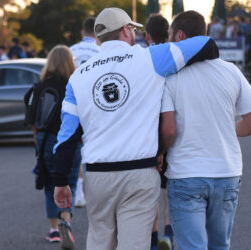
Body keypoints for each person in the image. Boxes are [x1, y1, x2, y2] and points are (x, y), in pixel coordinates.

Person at [52, 7, 219, 250]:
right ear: (125, 30)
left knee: (99, 242)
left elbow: (66, 138)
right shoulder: (150, 57)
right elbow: (206, 43)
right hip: (139, 173)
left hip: (97, 175)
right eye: (132, 29)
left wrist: (60, 181)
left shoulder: (77, 77)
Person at [161, 11, 251, 250]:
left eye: (170, 36)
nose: (168, 43)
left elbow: (168, 132)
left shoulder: (171, 77)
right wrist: (223, 129)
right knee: (220, 246)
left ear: (180, 34)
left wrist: (158, 153)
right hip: (227, 171)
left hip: (186, 173)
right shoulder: (231, 71)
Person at [29, 45, 81, 250]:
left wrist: (37, 141)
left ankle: (53, 229)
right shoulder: (75, 84)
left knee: (50, 182)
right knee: (70, 181)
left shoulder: (41, 86)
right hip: (71, 140)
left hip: (46, 139)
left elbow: (33, 119)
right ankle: (65, 220)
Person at [144, 13, 174, 250]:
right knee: (169, 190)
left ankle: (153, 242)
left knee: (152, 190)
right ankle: (169, 234)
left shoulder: (144, 58)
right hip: (173, 130)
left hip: (150, 133)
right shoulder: (177, 57)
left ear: (147, 35)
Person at [70, 16, 101, 208]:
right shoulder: (100, 51)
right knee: (95, 148)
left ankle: (79, 192)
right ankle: (94, 192)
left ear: (82, 32)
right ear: (97, 33)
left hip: (73, 104)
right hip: (95, 106)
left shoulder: (71, 50)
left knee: (77, 150)